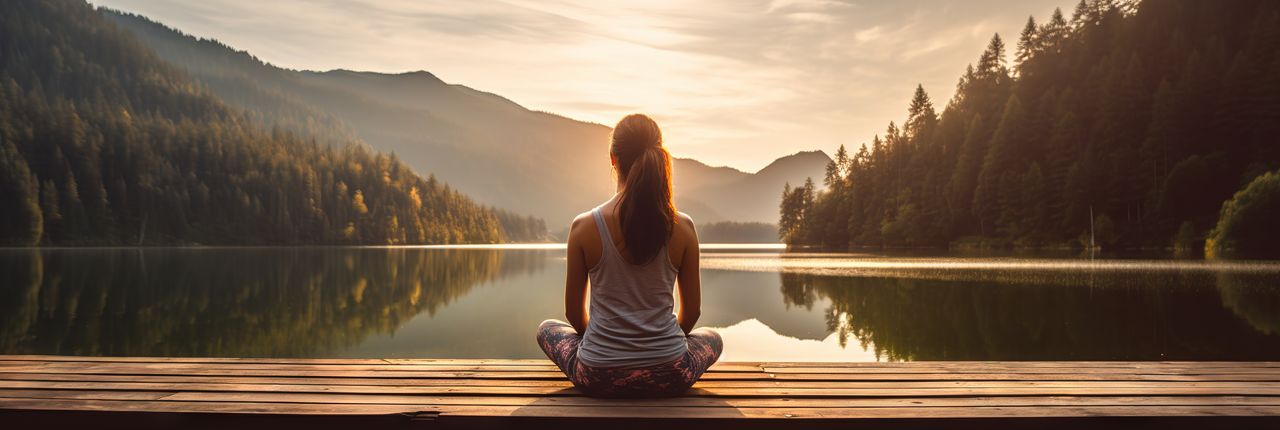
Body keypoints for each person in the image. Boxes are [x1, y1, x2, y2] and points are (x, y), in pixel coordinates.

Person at [536, 113, 722, 398]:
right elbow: (693, 313)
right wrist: (658, 347)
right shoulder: (683, 227)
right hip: (671, 374)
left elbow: (573, 314)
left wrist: (607, 346)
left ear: (613, 159)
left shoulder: (584, 226)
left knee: (547, 329)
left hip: (599, 376)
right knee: (712, 338)